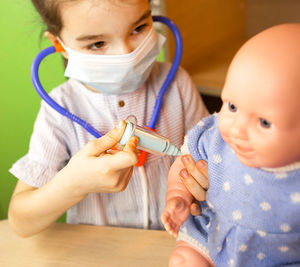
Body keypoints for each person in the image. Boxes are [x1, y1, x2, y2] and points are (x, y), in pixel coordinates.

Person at [8, 0, 208, 237]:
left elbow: (211, 157)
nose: (127, 54)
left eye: (138, 28)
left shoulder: (177, 84)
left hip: (175, 247)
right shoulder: (60, 109)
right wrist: (74, 184)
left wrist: (202, 182)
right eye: (98, 43)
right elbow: (21, 221)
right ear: (59, 45)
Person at [161, 23, 300, 267]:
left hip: (283, 258)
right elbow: (185, 163)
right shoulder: (216, 139)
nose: (236, 130)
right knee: (184, 260)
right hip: (212, 235)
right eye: (232, 107)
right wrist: (178, 194)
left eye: (264, 122)